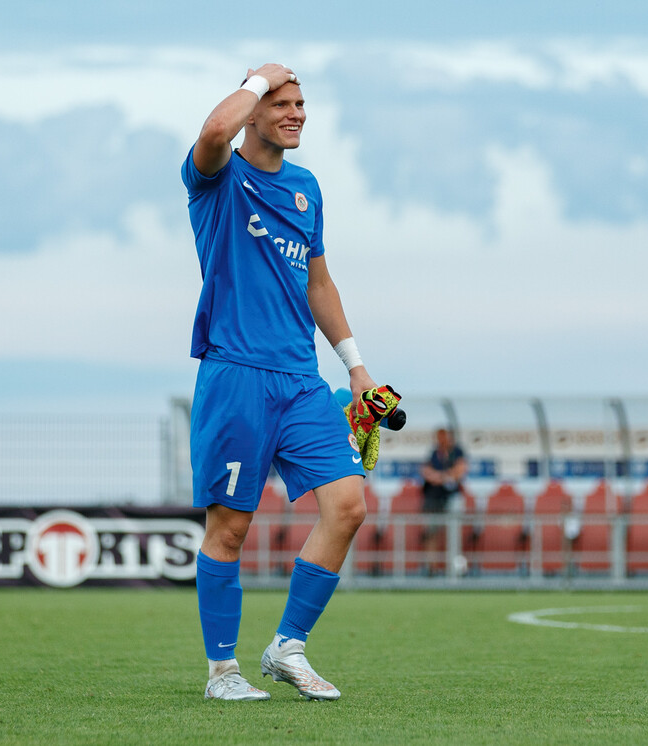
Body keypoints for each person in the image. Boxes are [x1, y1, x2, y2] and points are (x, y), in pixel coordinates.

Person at [182, 63, 384, 702]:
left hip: (301, 378)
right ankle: (223, 673)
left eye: (301, 104)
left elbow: (318, 282)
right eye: (283, 104)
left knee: (348, 505)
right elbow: (216, 128)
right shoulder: (218, 180)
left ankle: (287, 647)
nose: (297, 113)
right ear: (255, 112)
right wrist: (254, 78)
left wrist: (354, 365)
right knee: (231, 530)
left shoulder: (307, 188)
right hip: (234, 375)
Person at [419, 428, 468, 573]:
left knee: (454, 533)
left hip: (452, 497)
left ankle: (454, 569)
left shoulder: (457, 452)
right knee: (431, 532)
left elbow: (459, 472)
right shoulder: (434, 453)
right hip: (434, 498)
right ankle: (431, 567)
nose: (441, 440)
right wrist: (443, 477)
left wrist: (440, 476)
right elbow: (426, 472)